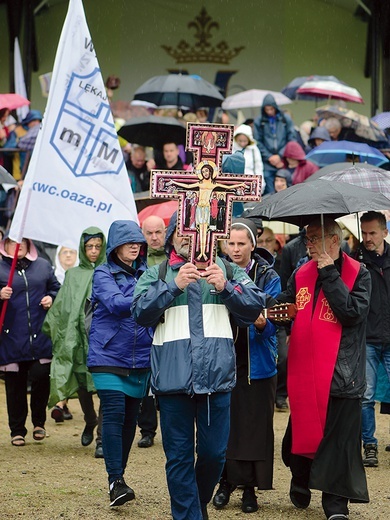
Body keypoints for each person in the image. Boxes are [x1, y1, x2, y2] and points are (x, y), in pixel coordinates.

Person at [132, 212, 267, 520]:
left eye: (197, 229)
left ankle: (196, 505)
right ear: (171, 236)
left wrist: (228, 289)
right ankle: (189, 515)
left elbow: (255, 308)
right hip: (172, 380)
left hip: (216, 379)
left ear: (210, 234)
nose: (189, 235)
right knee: (178, 458)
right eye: (182, 229)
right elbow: (139, 313)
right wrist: (172, 287)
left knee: (213, 454)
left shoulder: (228, 270)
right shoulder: (158, 273)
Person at [278, 217, 371, 520]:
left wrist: (329, 272)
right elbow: (286, 305)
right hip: (305, 369)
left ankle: (336, 505)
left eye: (315, 238)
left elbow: (350, 313)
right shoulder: (300, 273)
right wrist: (273, 314)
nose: (308, 244)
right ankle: (301, 477)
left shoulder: (360, 274)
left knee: (340, 443)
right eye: (307, 239)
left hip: (341, 374)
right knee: (303, 430)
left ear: (335, 240)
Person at [212, 218, 280, 513]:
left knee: (254, 427)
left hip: (257, 359)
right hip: (224, 357)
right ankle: (224, 481)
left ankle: (250, 489)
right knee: (226, 425)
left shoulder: (268, 275)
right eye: (231, 243)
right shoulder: (216, 271)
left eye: (242, 243)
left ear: (253, 245)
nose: (236, 249)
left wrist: (264, 323)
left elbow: (277, 319)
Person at [87, 220, 152, 507]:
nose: (135, 246)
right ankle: (115, 480)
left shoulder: (147, 273)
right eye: (129, 242)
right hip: (108, 355)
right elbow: (115, 304)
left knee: (129, 421)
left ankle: (119, 479)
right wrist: (151, 295)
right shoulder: (103, 273)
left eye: (138, 242)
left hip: (141, 358)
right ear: (115, 246)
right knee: (113, 414)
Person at [43, 229, 106, 457]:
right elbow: (64, 307)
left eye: (98, 247)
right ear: (83, 248)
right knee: (82, 384)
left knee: (105, 387)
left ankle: (101, 438)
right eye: (89, 247)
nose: (93, 251)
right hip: (77, 339)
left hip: (101, 340)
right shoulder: (73, 275)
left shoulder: (107, 271)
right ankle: (90, 420)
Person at [0, 237, 60, 446]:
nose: (18, 246)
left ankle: (39, 423)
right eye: (13, 242)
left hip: (40, 335)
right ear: (5, 245)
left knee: (41, 377)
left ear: (29, 244)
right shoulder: (0, 268)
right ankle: (17, 430)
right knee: (14, 385)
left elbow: (56, 288)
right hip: (11, 337)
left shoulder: (43, 265)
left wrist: (51, 297)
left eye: (23, 242)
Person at [356, 211, 390, 467]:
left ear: (384, 233)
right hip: (366, 336)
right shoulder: (354, 261)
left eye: (372, 233)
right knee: (366, 395)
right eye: (364, 232)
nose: (367, 238)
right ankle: (369, 445)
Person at [137, 215, 167, 448]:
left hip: (169, 320)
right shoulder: (138, 258)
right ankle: (147, 429)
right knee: (145, 375)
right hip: (144, 323)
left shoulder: (173, 256)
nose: (155, 237)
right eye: (150, 233)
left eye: (158, 232)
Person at [50, 244, 79, 423]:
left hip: (75, 327)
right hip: (58, 328)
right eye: (64, 252)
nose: (68, 256)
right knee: (61, 362)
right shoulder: (52, 277)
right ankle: (60, 403)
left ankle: (63, 403)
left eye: (72, 252)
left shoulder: (80, 277)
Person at [253, 93, 297, 195]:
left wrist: (280, 155)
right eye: (267, 109)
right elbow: (257, 141)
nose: (269, 112)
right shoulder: (259, 121)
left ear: (275, 108)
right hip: (267, 162)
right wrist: (269, 157)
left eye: (271, 109)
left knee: (285, 189)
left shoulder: (285, 119)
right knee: (270, 191)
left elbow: (292, 139)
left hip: (283, 160)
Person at [232, 124, 265, 193]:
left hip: (251, 182)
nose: (242, 143)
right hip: (235, 182)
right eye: (240, 141)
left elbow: (258, 167)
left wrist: (261, 185)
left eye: (245, 141)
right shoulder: (232, 149)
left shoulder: (254, 149)